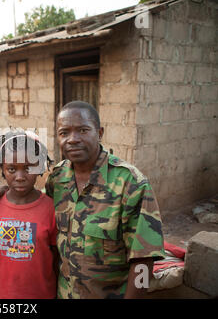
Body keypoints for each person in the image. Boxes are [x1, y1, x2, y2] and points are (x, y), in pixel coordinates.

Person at [45, 100, 165, 299]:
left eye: (83, 130)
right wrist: (5, 192)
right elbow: (39, 216)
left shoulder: (131, 184)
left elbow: (143, 262)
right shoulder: (56, 179)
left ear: (99, 133)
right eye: (64, 133)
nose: (72, 139)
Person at [0, 130, 58, 299]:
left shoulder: (50, 208)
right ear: (2, 168)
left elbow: (55, 257)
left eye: (28, 168)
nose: (20, 177)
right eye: (11, 169)